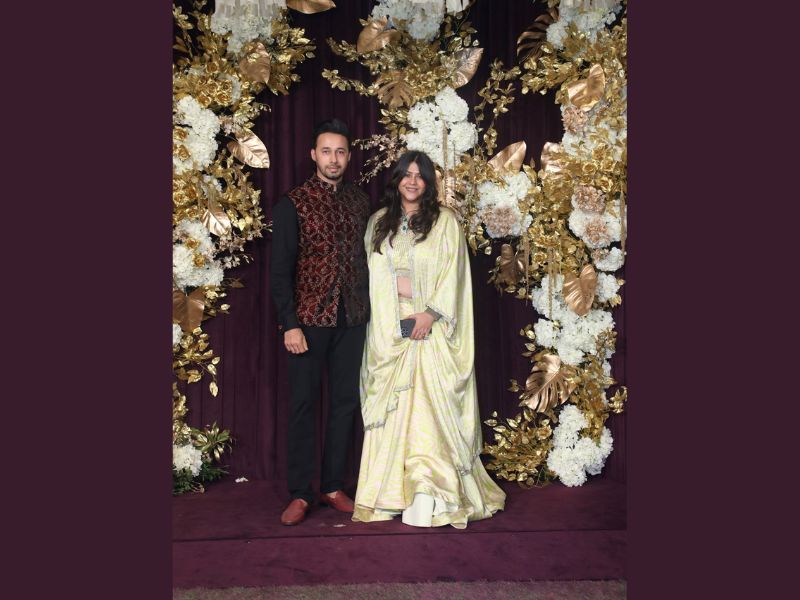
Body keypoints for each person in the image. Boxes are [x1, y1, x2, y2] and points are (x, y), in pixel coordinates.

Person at [353, 151, 506, 528]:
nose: (412, 181)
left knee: (426, 410)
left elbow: (454, 274)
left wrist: (430, 314)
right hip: (390, 331)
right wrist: (394, 321)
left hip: (431, 329)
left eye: (420, 176)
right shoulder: (378, 223)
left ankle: (430, 491)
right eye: (406, 174)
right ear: (396, 179)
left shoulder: (445, 222)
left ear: (429, 183)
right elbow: (371, 276)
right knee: (395, 412)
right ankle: (389, 494)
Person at [270, 119, 370, 526]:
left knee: (345, 403)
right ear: (313, 155)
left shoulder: (361, 202)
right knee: (304, 405)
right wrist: (289, 324)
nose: (333, 159)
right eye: (326, 151)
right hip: (308, 320)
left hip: (353, 318)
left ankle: (332, 485)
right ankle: (300, 492)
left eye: (340, 151)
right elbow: (280, 271)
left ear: (348, 156)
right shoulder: (292, 203)